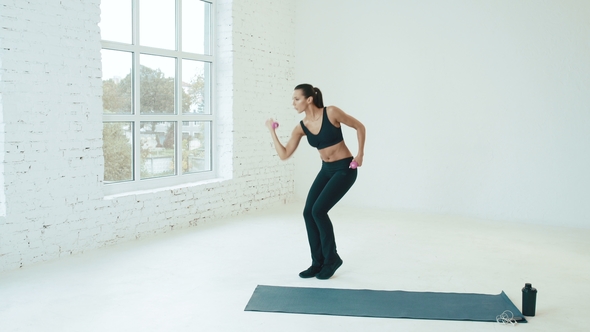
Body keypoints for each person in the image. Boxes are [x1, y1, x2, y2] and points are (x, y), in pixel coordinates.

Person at [265, 83, 366, 280]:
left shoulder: (332, 113)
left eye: (296, 99)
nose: (293, 103)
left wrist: (360, 154)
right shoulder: (301, 127)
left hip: (345, 169)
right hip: (326, 170)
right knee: (308, 212)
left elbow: (359, 126)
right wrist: (272, 132)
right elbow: (284, 154)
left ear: (309, 99)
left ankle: (332, 259)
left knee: (318, 211)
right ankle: (317, 262)